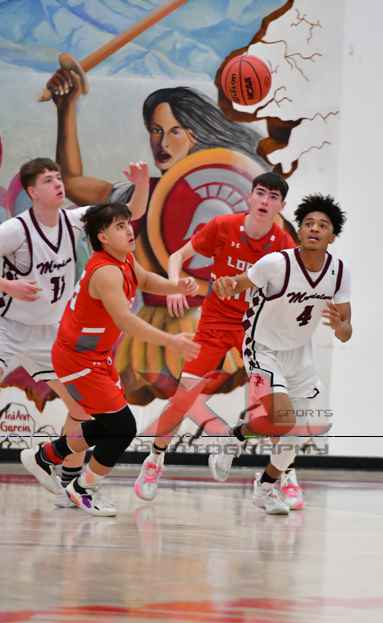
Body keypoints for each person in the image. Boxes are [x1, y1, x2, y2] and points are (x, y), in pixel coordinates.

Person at [45, 71, 268, 401]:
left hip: (204, 329)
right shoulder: (137, 193)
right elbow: (72, 182)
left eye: (174, 130)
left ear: (194, 134)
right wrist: (67, 107)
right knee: (124, 408)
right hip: (147, 334)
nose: (162, 142)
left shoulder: (226, 197)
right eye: (155, 130)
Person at [20, 202, 200, 517]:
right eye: (119, 226)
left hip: (94, 355)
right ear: (103, 237)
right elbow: (126, 321)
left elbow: (146, 280)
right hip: (76, 359)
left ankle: (45, 456)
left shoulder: (125, 259)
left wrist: (176, 285)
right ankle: (83, 488)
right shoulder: (105, 272)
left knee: (108, 425)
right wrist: (172, 341)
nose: (129, 230)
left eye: (128, 223)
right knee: (122, 427)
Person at [132, 171, 296, 502]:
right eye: (260, 193)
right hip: (215, 324)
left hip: (255, 329)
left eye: (273, 197)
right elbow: (178, 257)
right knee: (184, 397)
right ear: (250, 196)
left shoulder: (282, 245)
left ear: (281, 206)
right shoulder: (223, 226)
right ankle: (154, 460)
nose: (265, 201)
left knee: (273, 406)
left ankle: (286, 475)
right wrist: (175, 285)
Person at [0, 157, 149, 506]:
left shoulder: (74, 219)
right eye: (48, 180)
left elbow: (130, 212)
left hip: (50, 334)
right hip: (8, 328)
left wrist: (142, 183)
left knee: (82, 409)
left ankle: (68, 482)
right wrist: (8, 285)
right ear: (32, 192)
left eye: (58, 177)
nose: (58, 184)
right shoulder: (15, 231)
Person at [209, 194, 352, 514]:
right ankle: (235, 437)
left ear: (332, 236)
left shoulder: (339, 272)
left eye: (323, 225)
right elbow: (237, 283)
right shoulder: (276, 263)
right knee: (283, 419)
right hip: (262, 349)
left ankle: (266, 486)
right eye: (308, 223)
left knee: (297, 433)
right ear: (299, 231)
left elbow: (346, 331)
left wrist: (341, 326)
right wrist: (225, 284)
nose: (314, 228)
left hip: (300, 354)